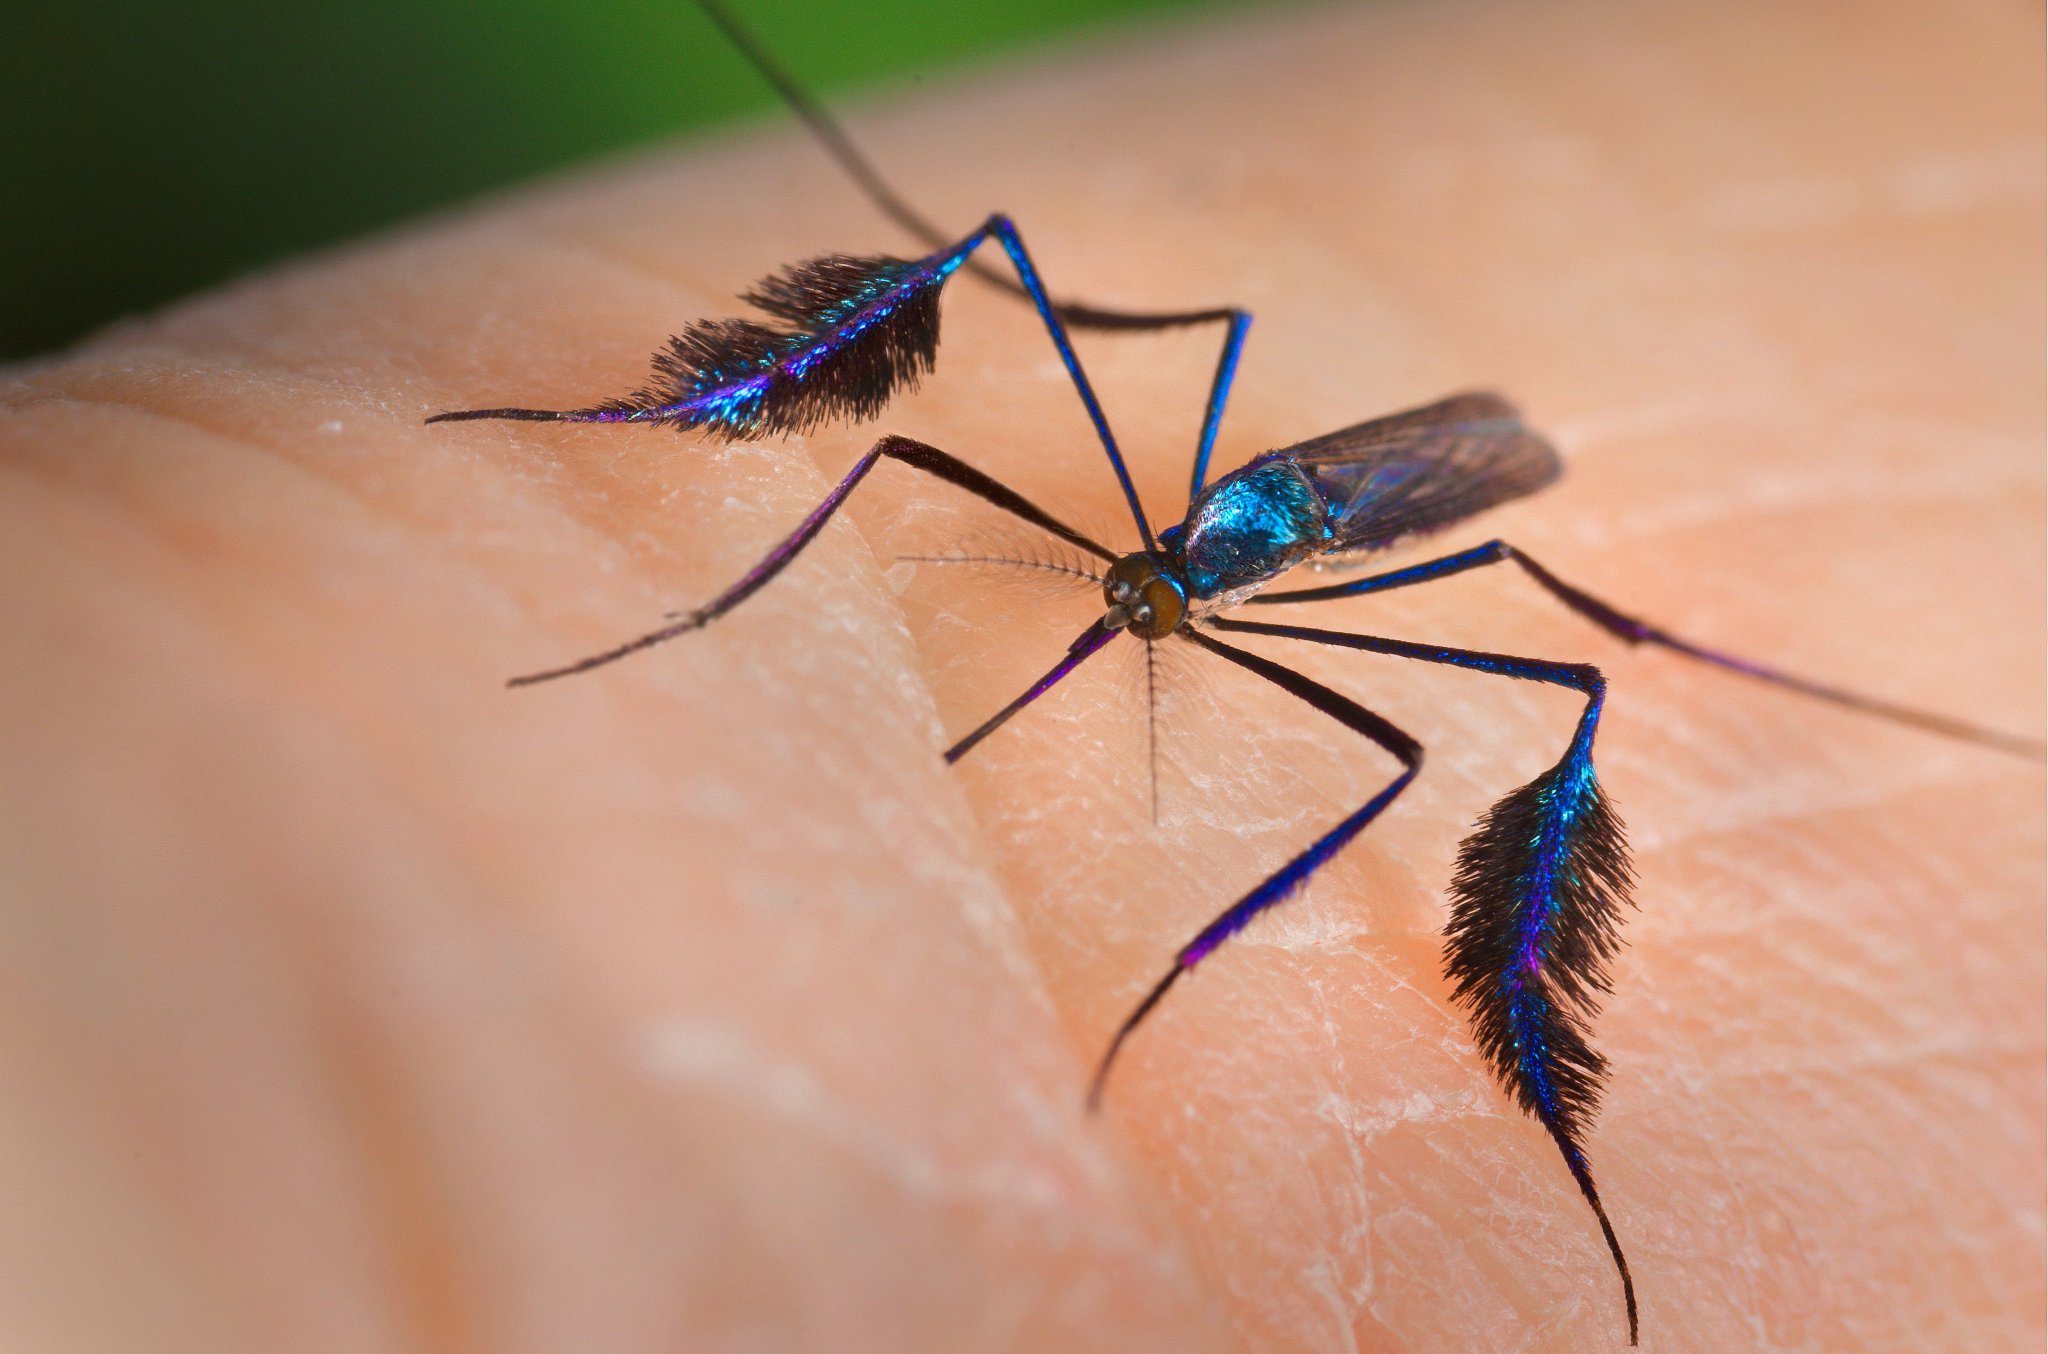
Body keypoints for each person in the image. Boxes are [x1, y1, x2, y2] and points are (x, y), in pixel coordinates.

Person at [0, 1, 2037, 1348]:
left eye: (1139, 605)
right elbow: (1043, 467)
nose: (1122, 615)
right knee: (951, 302)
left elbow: (1407, 596)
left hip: (1371, 504)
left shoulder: (1283, 572)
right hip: (1249, 505)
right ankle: (672, 433)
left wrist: (1172, 952)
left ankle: (1522, 1015)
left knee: (1534, 686)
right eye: (1133, 601)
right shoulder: (1138, 557)